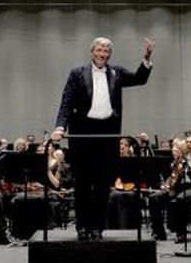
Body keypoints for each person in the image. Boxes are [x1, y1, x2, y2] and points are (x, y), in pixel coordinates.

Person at [52, 36, 155, 241]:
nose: (102, 54)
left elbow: (139, 78)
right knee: (82, 184)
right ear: (92, 52)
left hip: (107, 134)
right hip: (83, 133)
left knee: (102, 185)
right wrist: (60, 127)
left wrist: (147, 57)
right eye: (99, 50)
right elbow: (66, 101)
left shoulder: (116, 72)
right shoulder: (77, 73)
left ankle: (98, 228)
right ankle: (82, 227)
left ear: (109, 54)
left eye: (106, 52)